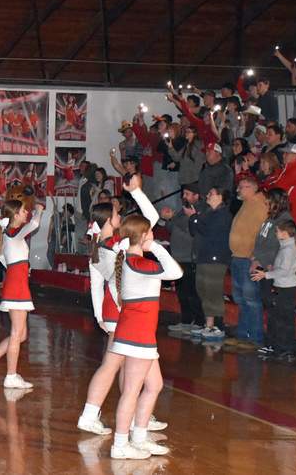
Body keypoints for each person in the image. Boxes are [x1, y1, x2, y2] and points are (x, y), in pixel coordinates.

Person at [78, 175, 164, 436]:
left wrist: (97, 316)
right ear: (109, 220)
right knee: (113, 364)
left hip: (110, 310)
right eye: (116, 213)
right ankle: (90, 414)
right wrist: (136, 191)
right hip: (124, 310)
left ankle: (141, 415)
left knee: (128, 367)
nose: (119, 215)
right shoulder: (119, 243)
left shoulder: (97, 249)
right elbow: (152, 219)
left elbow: (95, 287)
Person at [108, 214, 183, 460]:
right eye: (150, 233)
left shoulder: (132, 261)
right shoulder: (139, 264)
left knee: (154, 385)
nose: (153, 235)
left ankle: (139, 438)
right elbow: (175, 273)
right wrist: (156, 248)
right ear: (142, 237)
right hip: (137, 334)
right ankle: (120, 444)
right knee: (132, 390)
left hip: (138, 332)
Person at [0, 200, 43, 390]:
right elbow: (35, 224)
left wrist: (18, 269)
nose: (27, 213)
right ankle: (11, 376)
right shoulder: (14, 233)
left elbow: (2, 257)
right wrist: (39, 211)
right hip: (17, 287)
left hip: (17, 283)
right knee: (16, 333)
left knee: (20, 334)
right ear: (15, 215)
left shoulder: (9, 235)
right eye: (24, 211)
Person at [227, 177, 268, 349]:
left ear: (252, 188)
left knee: (251, 299)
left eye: (242, 187)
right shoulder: (247, 203)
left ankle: (256, 337)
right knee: (241, 298)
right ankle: (244, 334)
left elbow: (263, 234)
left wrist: (256, 257)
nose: (238, 190)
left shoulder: (260, 205)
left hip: (248, 259)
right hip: (238, 256)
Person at [252, 220, 296, 362]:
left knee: (285, 320)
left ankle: (287, 349)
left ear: (285, 233)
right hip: (283, 286)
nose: (276, 233)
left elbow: (284, 271)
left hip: (287, 288)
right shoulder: (285, 248)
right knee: (279, 318)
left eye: (278, 231)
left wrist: (266, 274)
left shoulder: (288, 250)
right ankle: (280, 347)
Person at [160, 183, 205, 333]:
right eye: (183, 194)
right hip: (178, 257)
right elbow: (172, 227)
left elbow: (189, 228)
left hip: (189, 257)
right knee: (182, 292)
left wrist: (172, 218)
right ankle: (186, 320)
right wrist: (169, 219)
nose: (184, 197)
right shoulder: (182, 211)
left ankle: (199, 322)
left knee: (192, 292)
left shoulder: (198, 210)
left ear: (196, 196)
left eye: (187, 194)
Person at [189, 187, 232, 341]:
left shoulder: (223, 215)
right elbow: (194, 229)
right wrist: (194, 218)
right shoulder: (209, 213)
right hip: (204, 256)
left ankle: (218, 326)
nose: (207, 195)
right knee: (202, 289)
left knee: (213, 291)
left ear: (221, 197)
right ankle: (209, 324)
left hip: (216, 258)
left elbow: (207, 230)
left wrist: (194, 217)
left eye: (211, 193)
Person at [270, 143, 296, 225]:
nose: (283, 156)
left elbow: (277, 187)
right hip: (283, 215)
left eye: (287, 153)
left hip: (289, 218)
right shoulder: (285, 170)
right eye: (284, 153)